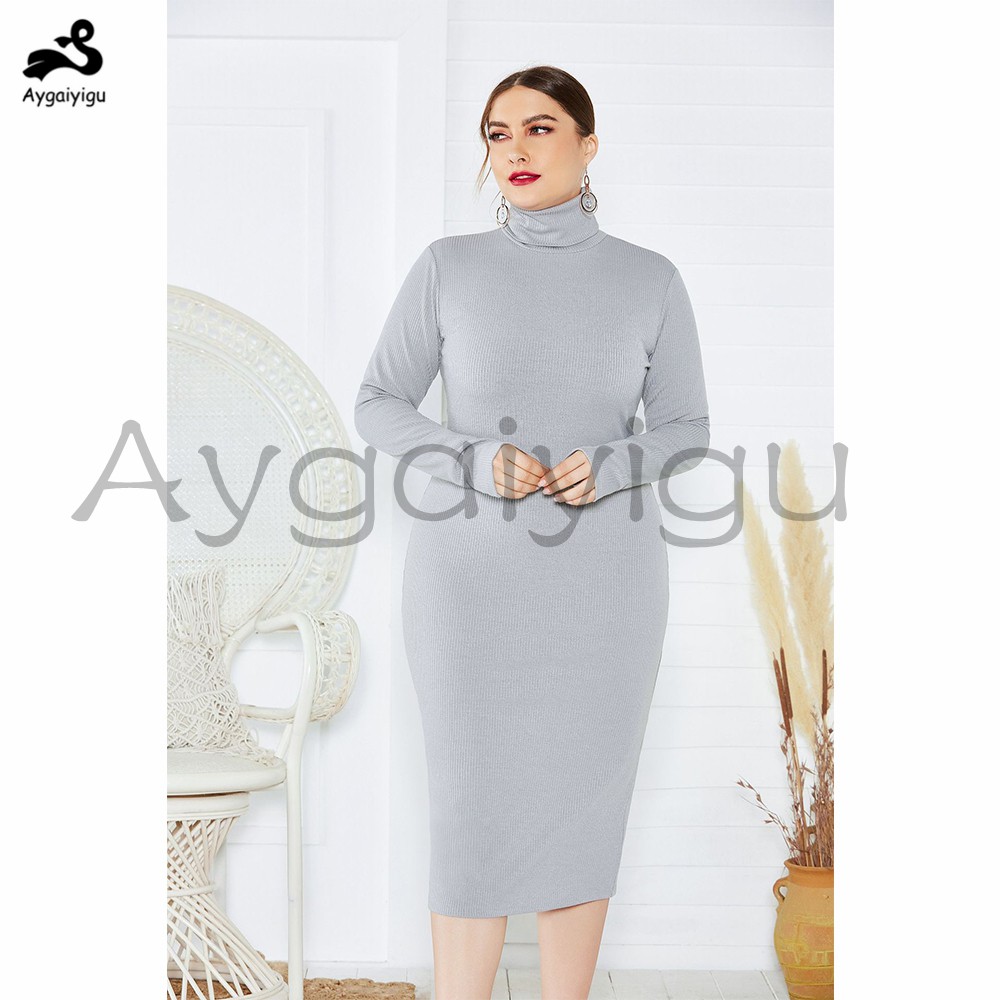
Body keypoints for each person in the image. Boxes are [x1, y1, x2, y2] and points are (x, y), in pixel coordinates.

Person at [354, 65, 710, 1000]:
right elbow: (378, 402)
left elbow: (687, 428)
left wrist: (618, 461)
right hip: (468, 584)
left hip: (606, 589)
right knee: (469, 810)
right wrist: (469, 456)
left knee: (583, 807)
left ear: (588, 145)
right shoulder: (449, 267)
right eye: (497, 132)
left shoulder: (650, 280)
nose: (514, 149)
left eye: (540, 128)